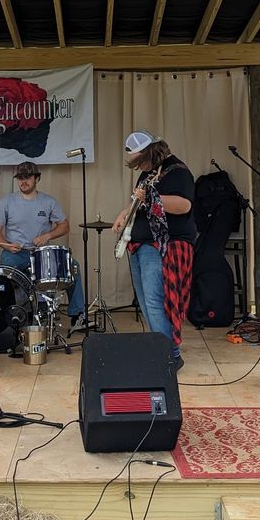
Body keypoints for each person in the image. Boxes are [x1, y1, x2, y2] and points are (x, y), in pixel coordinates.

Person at [112, 130, 194, 371]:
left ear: (150, 153)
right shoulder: (149, 174)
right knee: (147, 302)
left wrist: (151, 196)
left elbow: (184, 205)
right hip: (140, 244)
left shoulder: (178, 172)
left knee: (156, 300)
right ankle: (160, 348)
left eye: (140, 162)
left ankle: (170, 355)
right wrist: (124, 213)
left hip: (160, 245)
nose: (138, 168)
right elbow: (140, 202)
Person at [0, 161, 85, 325]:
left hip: (41, 253)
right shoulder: (6, 202)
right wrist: (6, 244)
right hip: (15, 253)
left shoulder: (49, 202)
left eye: (27, 177)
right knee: (3, 278)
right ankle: (8, 318)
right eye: (20, 178)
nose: (23, 181)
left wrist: (47, 235)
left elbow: (64, 225)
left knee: (73, 268)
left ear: (37, 179)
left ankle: (77, 315)